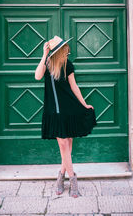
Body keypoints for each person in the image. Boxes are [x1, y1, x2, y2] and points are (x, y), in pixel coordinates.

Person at [35, 36, 96, 198]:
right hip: (53, 111)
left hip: (69, 110)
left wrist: (84, 104)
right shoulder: (48, 64)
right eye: (64, 47)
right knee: (63, 145)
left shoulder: (68, 65)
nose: (67, 49)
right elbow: (37, 76)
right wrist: (44, 54)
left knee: (67, 145)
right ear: (58, 50)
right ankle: (73, 180)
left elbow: (74, 86)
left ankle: (60, 178)